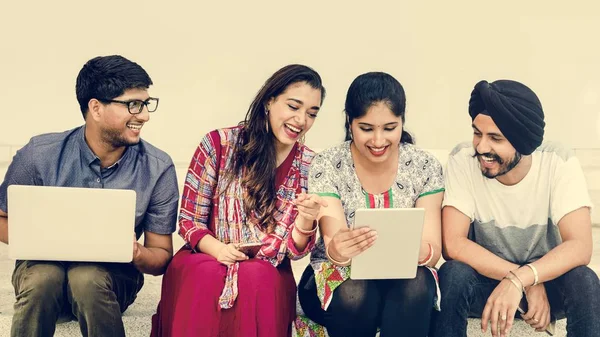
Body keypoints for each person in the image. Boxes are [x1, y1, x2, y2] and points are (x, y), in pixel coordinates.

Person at [0, 55, 179, 337]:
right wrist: (41, 236)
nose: (143, 114)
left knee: (86, 277)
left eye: (146, 104)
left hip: (111, 281)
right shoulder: (39, 154)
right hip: (42, 276)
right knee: (42, 278)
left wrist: (136, 252)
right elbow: (2, 219)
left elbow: (161, 255)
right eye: (133, 104)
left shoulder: (157, 167)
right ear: (95, 108)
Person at [150, 64, 328, 337]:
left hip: (267, 266)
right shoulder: (218, 144)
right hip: (206, 253)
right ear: (270, 100)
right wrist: (219, 250)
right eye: (293, 106)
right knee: (204, 276)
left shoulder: (309, 164)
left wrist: (306, 217)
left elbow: (295, 251)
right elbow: (189, 220)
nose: (301, 120)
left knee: (258, 278)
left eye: (312, 113)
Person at [432, 79, 600, 337]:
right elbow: (453, 244)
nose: (481, 147)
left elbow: (580, 246)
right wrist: (522, 281)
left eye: (495, 138)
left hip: (546, 282)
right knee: (453, 274)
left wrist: (526, 278)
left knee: (585, 281)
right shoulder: (462, 159)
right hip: (489, 283)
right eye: (477, 133)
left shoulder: (557, 161)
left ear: (522, 142)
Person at [295, 72, 444, 337]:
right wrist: (340, 248)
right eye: (366, 128)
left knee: (417, 284)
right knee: (356, 290)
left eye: (389, 128)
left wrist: (411, 248)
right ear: (349, 122)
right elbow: (333, 248)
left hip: (404, 283)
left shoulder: (425, 166)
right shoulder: (328, 163)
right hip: (341, 285)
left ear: (402, 122)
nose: (378, 141)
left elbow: (433, 252)